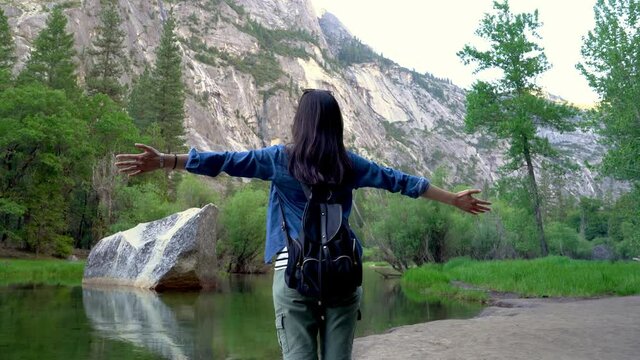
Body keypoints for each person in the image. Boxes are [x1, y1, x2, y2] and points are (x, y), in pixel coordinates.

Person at [115, 89, 491, 359]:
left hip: (294, 275)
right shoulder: (352, 164)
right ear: (336, 125)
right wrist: (453, 200)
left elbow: (224, 160)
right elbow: (404, 182)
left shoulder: (279, 160)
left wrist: (167, 160)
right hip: (344, 275)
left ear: (301, 123)